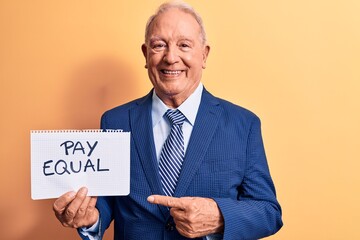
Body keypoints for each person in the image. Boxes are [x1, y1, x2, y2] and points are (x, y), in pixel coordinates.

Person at [53, 1, 283, 239]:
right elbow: (106, 203)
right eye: (159, 45)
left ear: (204, 55)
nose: (171, 57)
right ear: (145, 54)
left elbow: (268, 211)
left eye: (184, 45)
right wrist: (90, 219)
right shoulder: (115, 122)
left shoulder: (243, 125)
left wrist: (220, 216)